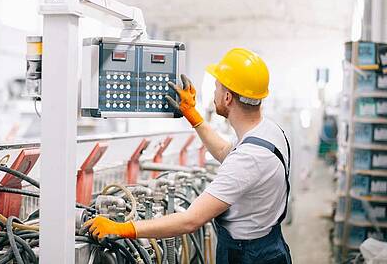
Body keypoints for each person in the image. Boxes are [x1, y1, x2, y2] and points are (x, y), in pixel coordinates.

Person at [84, 48, 292, 264]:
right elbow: (225, 153)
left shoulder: (249, 159)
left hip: (249, 256)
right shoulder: (269, 131)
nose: (214, 94)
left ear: (228, 97)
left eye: (217, 88)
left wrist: (122, 228)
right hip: (268, 243)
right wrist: (194, 117)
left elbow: (191, 220)